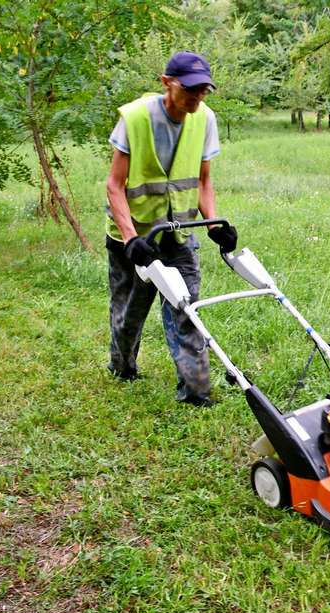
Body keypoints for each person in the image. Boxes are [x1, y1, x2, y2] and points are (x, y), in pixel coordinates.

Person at [104, 51, 237, 407]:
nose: (197, 97)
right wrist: (131, 238)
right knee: (129, 312)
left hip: (178, 232)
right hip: (134, 237)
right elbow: (115, 185)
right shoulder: (134, 118)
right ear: (167, 82)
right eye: (190, 89)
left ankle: (195, 392)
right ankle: (122, 367)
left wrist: (213, 223)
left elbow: (204, 179)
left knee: (186, 308)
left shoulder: (204, 118)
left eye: (203, 90)